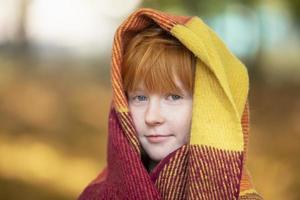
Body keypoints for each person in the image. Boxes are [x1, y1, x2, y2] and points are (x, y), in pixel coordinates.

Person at [78, 8, 263, 200]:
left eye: (173, 97)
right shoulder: (100, 194)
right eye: (140, 98)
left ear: (207, 105)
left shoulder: (238, 196)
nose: (152, 117)